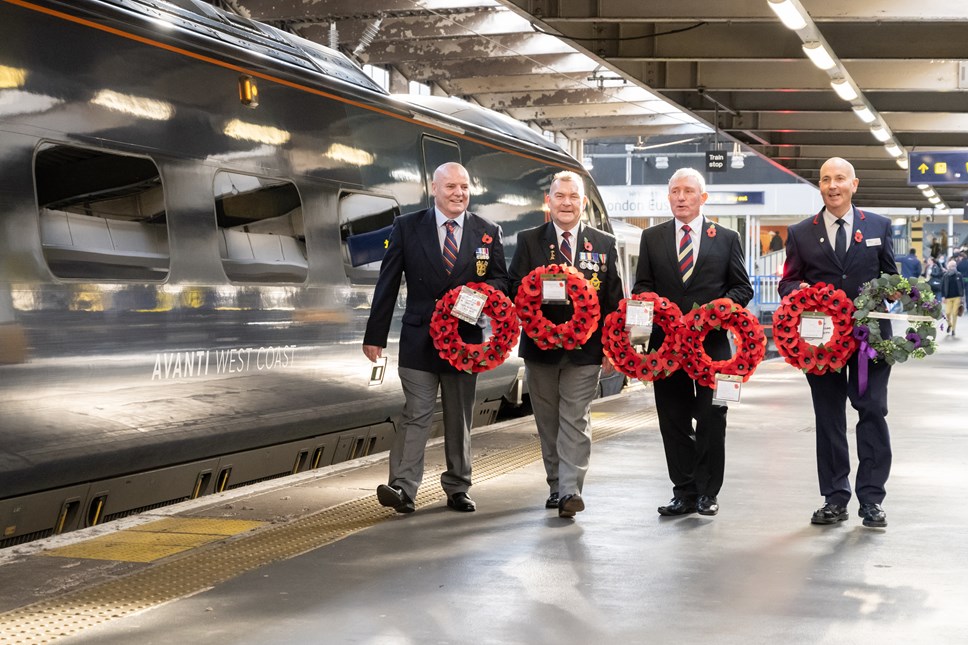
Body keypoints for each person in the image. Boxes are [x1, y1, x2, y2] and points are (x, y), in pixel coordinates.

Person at [362, 162, 509, 514]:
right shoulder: (407, 227)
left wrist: (475, 293)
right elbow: (388, 282)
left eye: (464, 187)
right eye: (451, 187)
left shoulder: (488, 231)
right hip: (418, 339)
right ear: (434, 188)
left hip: (466, 341)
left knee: (459, 416)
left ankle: (458, 486)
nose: (459, 193)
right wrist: (375, 335)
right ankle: (402, 487)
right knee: (417, 413)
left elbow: (503, 283)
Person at [778, 157, 897, 528]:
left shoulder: (878, 226)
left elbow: (891, 277)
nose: (833, 185)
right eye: (826, 179)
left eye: (840, 179)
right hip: (821, 344)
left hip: (869, 341)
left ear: (854, 184)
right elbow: (787, 282)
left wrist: (890, 293)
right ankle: (834, 497)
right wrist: (802, 291)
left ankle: (872, 499)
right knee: (828, 417)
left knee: (872, 411)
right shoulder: (800, 233)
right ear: (820, 185)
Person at [631, 168, 753, 518]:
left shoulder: (727, 237)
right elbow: (642, 287)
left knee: (712, 418)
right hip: (666, 348)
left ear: (703, 197)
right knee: (673, 420)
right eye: (674, 191)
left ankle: (708, 493)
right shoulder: (652, 237)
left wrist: (716, 313)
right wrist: (658, 309)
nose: (680, 197)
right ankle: (683, 492)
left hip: (713, 347)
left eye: (687, 191)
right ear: (667, 196)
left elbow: (742, 288)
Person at [508, 171, 623, 518]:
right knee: (548, 420)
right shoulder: (529, 240)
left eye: (574, 197)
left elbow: (613, 299)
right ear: (549, 201)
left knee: (576, 417)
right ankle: (556, 483)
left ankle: (570, 491)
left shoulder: (603, 243)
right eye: (560, 196)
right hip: (541, 348)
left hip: (585, 351)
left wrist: (612, 348)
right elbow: (514, 286)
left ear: (583, 203)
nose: (567, 203)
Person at [940, 259, 965, 336]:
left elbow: (962, 286)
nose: (953, 267)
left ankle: (953, 329)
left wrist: (962, 297)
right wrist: (943, 296)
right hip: (948, 298)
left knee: (954, 313)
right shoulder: (945, 276)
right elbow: (942, 286)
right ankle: (949, 324)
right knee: (947, 313)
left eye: (954, 266)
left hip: (957, 297)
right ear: (948, 267)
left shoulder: (959, 275)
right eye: (951, 266)